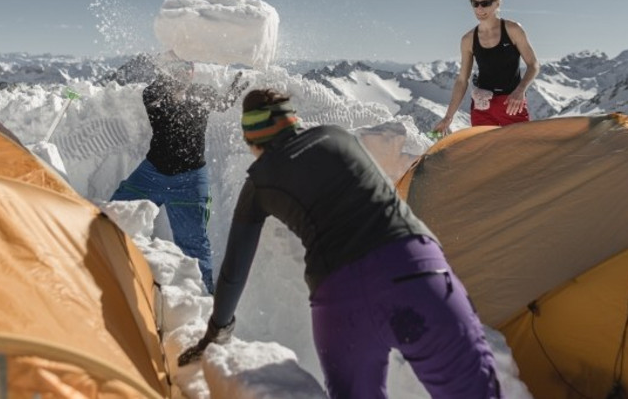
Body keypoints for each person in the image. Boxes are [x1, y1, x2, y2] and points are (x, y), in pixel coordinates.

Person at [178, 88, 502, 399]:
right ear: (294, 121)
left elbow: (235, 269)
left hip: (340, 298)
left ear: (255, 141)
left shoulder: (260, 181)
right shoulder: (337, 136)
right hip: (415, 272)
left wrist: (217, 330)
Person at [110, 52, 247, 293]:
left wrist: (232, 94)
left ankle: (204, 299)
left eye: (187, 68)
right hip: (150, 174)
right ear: (167, 71)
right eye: (176, 67)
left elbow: (222, 104)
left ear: (193, 71)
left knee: (194, 245)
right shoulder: (153, 93)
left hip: (191, 180)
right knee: (112, 217)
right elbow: (163, 97)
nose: (183, 73)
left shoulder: (201, 93)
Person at [433, 0, 539, 132]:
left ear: (497, 3)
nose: (479, 8)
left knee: (519, 153)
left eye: (485, 3)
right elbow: (462, 80)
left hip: (512, 104)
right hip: (482, 107)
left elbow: (533, 65)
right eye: (475, 4)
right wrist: (448, 117)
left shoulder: (512, 29)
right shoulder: (468, 39)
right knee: (485, 154)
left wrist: (520, 90)